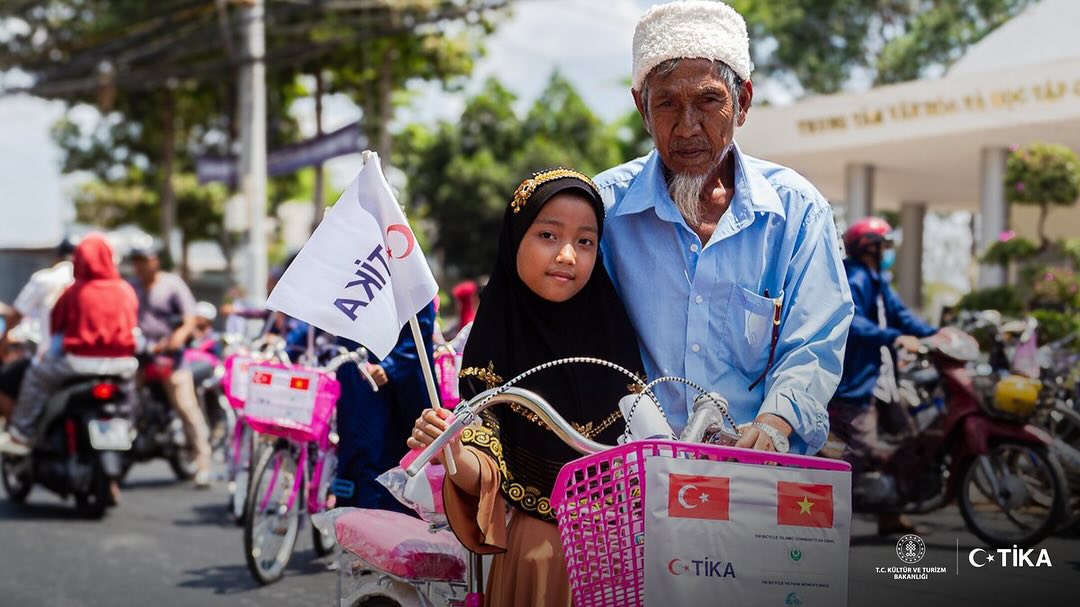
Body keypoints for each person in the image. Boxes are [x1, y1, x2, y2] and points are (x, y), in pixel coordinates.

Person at [593, 0, 854, 455]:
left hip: (757, 473)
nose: (687, 126)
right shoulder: (604, 209)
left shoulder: (797, 211)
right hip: (631, 474)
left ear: (743, 102)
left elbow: (815, 338)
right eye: (667, 104)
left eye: (709, 100)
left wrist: (776, 422)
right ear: (642, 108)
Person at [410, 169, 647, 607]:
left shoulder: (615, 336)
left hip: (631, 561)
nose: (567, 256)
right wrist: (453, 449)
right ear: (515, 238)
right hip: (542, 560)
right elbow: (485, 468)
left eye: (585, 241)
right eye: (547, 235)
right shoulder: (495, 346)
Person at [831, 216, 937, 536]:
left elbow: (903, 316)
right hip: (856, 382)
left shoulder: (878, 280)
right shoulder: (855, 278)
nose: (887, 252)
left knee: (906, 442)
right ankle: (833, 522)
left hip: (882, 381)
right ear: (867, 248)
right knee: (860, 449)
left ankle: (889, 517)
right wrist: (893, 337)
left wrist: (939, 335)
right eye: (882, 246)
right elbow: (853, 321)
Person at [0, 235, 138, 466]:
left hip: (78, 363)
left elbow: (57, 330)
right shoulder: (125, 290)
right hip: (122, 364)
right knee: (130, 391)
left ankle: (21, 434)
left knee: (36, 378)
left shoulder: (74, 292)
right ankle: (130, 425)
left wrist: (46, 358)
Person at [334, 301, 437, 512]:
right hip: (357, 381)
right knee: (356, 454)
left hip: (399, 390)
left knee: (387, 466)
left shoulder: (409, 276)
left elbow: (419, 333)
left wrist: (388, 368)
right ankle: (355, 525)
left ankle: (380, 528)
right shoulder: (354, 277)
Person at [129, 245, 213, 487]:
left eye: (144, 260)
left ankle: (203, 463)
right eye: (136, 261)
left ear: (155, 261)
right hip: (141, 357)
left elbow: (189, 319)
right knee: (124, 400)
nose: (140, 265)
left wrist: (177, 337)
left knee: (187, 408)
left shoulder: (172, 284)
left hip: (170, 359)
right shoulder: (131, 287)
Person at [0, 238, 76, 420]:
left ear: (57, 258)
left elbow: (17, 314)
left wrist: (3, 342)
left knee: (7, 384)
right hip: (101, 361)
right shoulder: (94, 282)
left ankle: (20, 432)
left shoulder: (47, 279)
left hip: (54, 358)